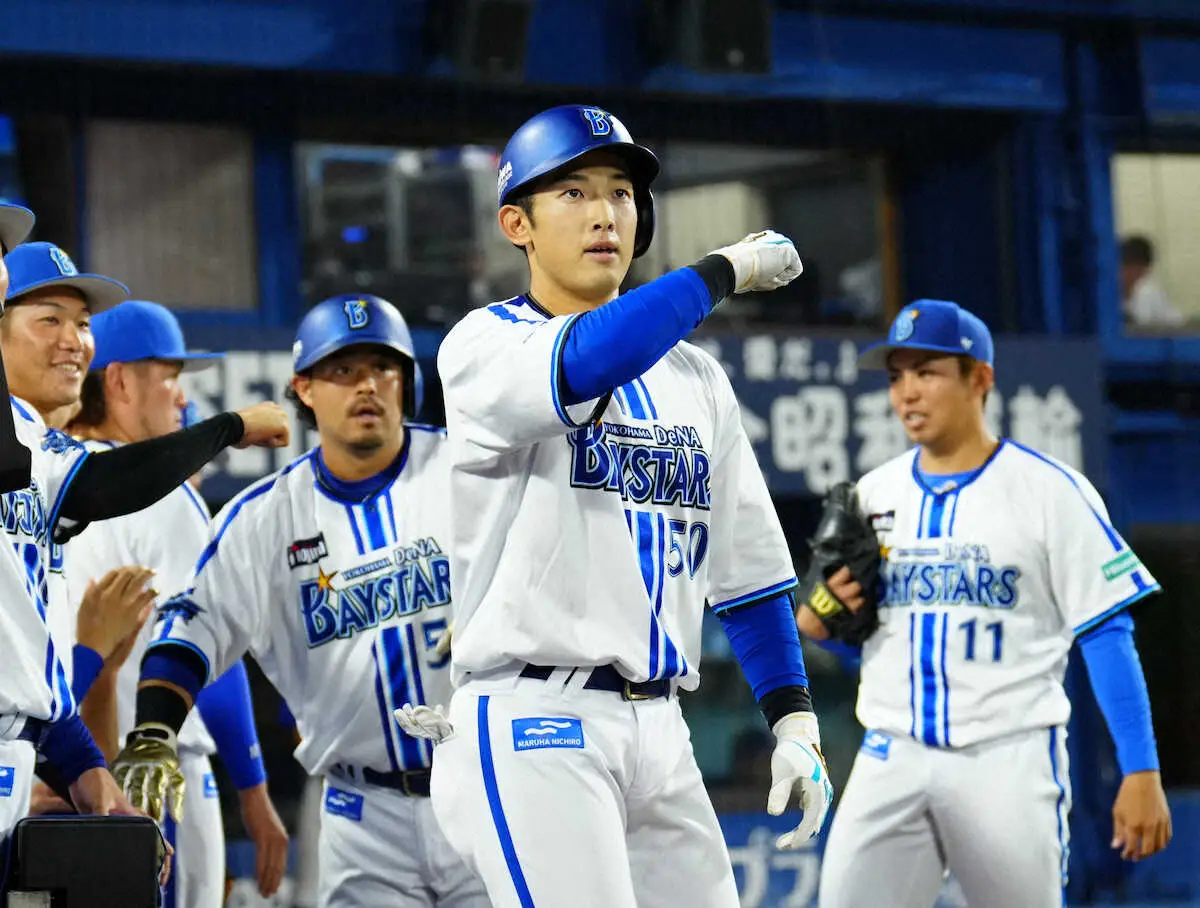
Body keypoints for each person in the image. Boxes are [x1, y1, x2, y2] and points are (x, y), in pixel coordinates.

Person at [412, 104, 832, 908]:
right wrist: (723, 270)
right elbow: (590, 355)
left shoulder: (696, 379)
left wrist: (794, 721)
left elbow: (747, 576)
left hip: (662, 729)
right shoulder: (484, 344)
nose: (605, 213)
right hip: (537, 717)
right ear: (517, 224)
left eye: (621, 192)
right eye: (572, 193)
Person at [110, 294, 490, 908]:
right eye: (342, 370)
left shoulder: (469, 471)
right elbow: (192, 628)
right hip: (362, 814)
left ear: (407, 382)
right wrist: (155, 730)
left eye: (383, 367)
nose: (366, 385)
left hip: (484, 787)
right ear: (304, 388)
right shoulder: (264, 519)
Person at [795, 299, 1173, 908]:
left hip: (1006, 756)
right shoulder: (875, 492)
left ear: (980, 379)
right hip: (892, 750)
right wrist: (819, 623)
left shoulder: (1050, 491)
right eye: (896, 376)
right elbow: (857, 635)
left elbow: (1107, 632)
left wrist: (1141, 768)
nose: (907, 392)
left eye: (927, 372)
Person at [0, 205, 291, 839]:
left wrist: (81, 763)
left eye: (81, 324)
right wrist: (231, 428)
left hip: (43, 750)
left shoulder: (44, 451)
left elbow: (36, 668)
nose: (73, 339)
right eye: (49, 319)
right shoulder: (111, 479)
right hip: (128, 758)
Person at [66, 299, 289, 906]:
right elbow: (204, 643)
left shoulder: (48, 484)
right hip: (157, 773)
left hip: (64, 769)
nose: (183, 398)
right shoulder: (159, 493)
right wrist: (253, 790)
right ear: (118, 382)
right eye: (169, 377)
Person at [1120, 235, 1183, 329]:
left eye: (1137, 268)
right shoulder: (1106, 296)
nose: (1128, 273)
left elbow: (1177, 326)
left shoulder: (1149, 294)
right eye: (1126, 266)